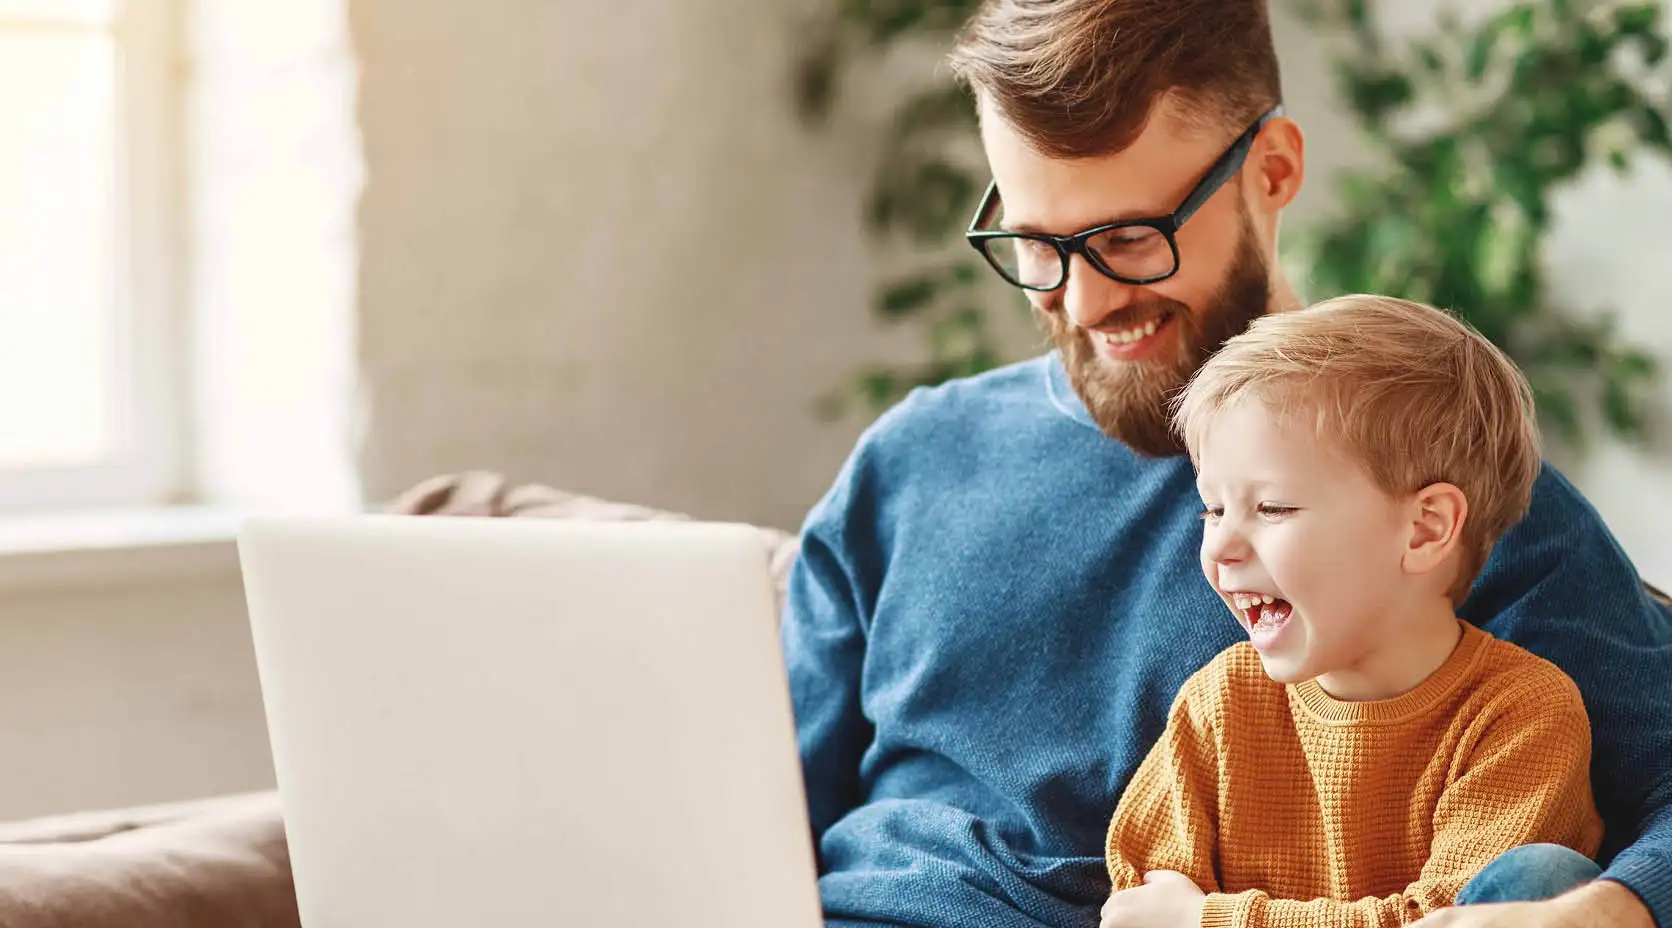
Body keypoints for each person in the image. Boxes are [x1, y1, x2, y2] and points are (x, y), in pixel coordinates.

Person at [779, 1, 1672, 926]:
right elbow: (750, 802)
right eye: (1038, 246)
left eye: (1129, 238)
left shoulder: (1425, 486)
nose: (1084, 300)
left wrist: (1610, 910)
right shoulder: (912, 460)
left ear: (1274, 170)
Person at [1100, 295, 1603, 928]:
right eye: (1214, 509)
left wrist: (1212, 918)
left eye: (1274, 508)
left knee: (1547, 879)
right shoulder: (1219, 703)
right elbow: (1142, 906)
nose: (1220, 547)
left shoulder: (1522, 716)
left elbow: (1449, 921)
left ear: (1425, 530)